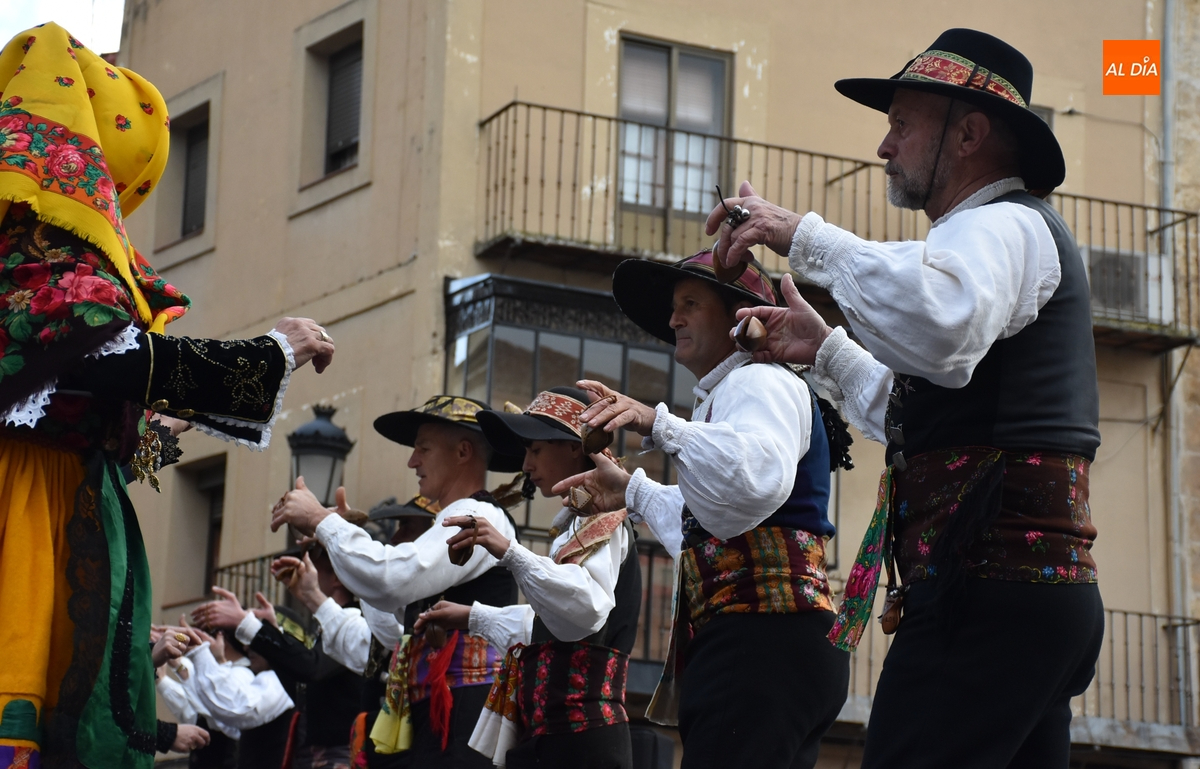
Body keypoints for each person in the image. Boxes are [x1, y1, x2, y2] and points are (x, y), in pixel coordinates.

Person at [707, 28, 1105, 769]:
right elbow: (926, 404)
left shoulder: (1006, 225)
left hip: (988, 594)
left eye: (901, 124)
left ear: (970, 134)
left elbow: (942, 324)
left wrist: (802, 235)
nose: (884, 146)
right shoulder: (985, 241)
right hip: (1024, 598)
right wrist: (825, 349)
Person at [0, 24, 335, 769]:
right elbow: (114, 359)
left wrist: (155, 427)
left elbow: (71, 396)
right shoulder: (41, 250)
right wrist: (272, 351)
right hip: (29, 512)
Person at [551, 252, 852, 769]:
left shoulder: (760, 380)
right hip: (772, 640)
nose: (674, 319)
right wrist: (632, 492)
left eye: (690, 304)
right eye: (675, 307)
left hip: (764, 638)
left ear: (740, 318)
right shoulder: (731, 392)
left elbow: (754, 478)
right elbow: (713, 524)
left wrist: (656, 422)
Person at [270, 396, 523, 768]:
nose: (412, 461)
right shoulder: (457, 519)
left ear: (463, 452)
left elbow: (391, 580)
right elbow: (393, 631)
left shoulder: (477, 515)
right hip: (443, 712)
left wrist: (323, 522)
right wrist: (339, 541)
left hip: (464, 712)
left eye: (423, 448)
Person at [414, 386, 642, 768]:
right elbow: (549, 626)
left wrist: (509, 551)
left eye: (535, 450)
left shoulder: (605, 520)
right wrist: (473, 616)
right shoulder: (576, 524)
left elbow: (584, 611)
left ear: (574, 447)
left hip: (582, 744)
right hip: (555, 739)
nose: (526, 465)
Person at [194, 535, 366, 769]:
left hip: (345, 757)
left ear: (336, 578)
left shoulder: (356, 620)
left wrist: (248, 625)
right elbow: (301, 688)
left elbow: (312, 668)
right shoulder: (329, 627)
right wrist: (272, 632)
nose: (302, 575)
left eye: (310, 567)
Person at [155, 626, 294, 769]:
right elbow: (206, 715)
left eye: (256, 640)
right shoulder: (248, 677)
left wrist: (195, 652)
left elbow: (229, 709)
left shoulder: (262, 677)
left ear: (223, 640)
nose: (247, 647)